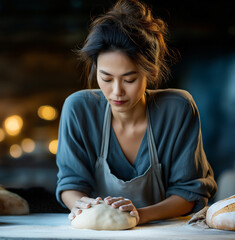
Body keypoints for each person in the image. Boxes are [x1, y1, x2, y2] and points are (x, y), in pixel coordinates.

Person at [55, 0, 217, 225]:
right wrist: (81, 205)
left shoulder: (177, 109)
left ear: (151, 72)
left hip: (167, 233)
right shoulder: (78, 110)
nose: (116, 91)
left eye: (129, 79)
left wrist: (139, 215)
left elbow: (189, 193)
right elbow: (69, 185)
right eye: (106, 78)